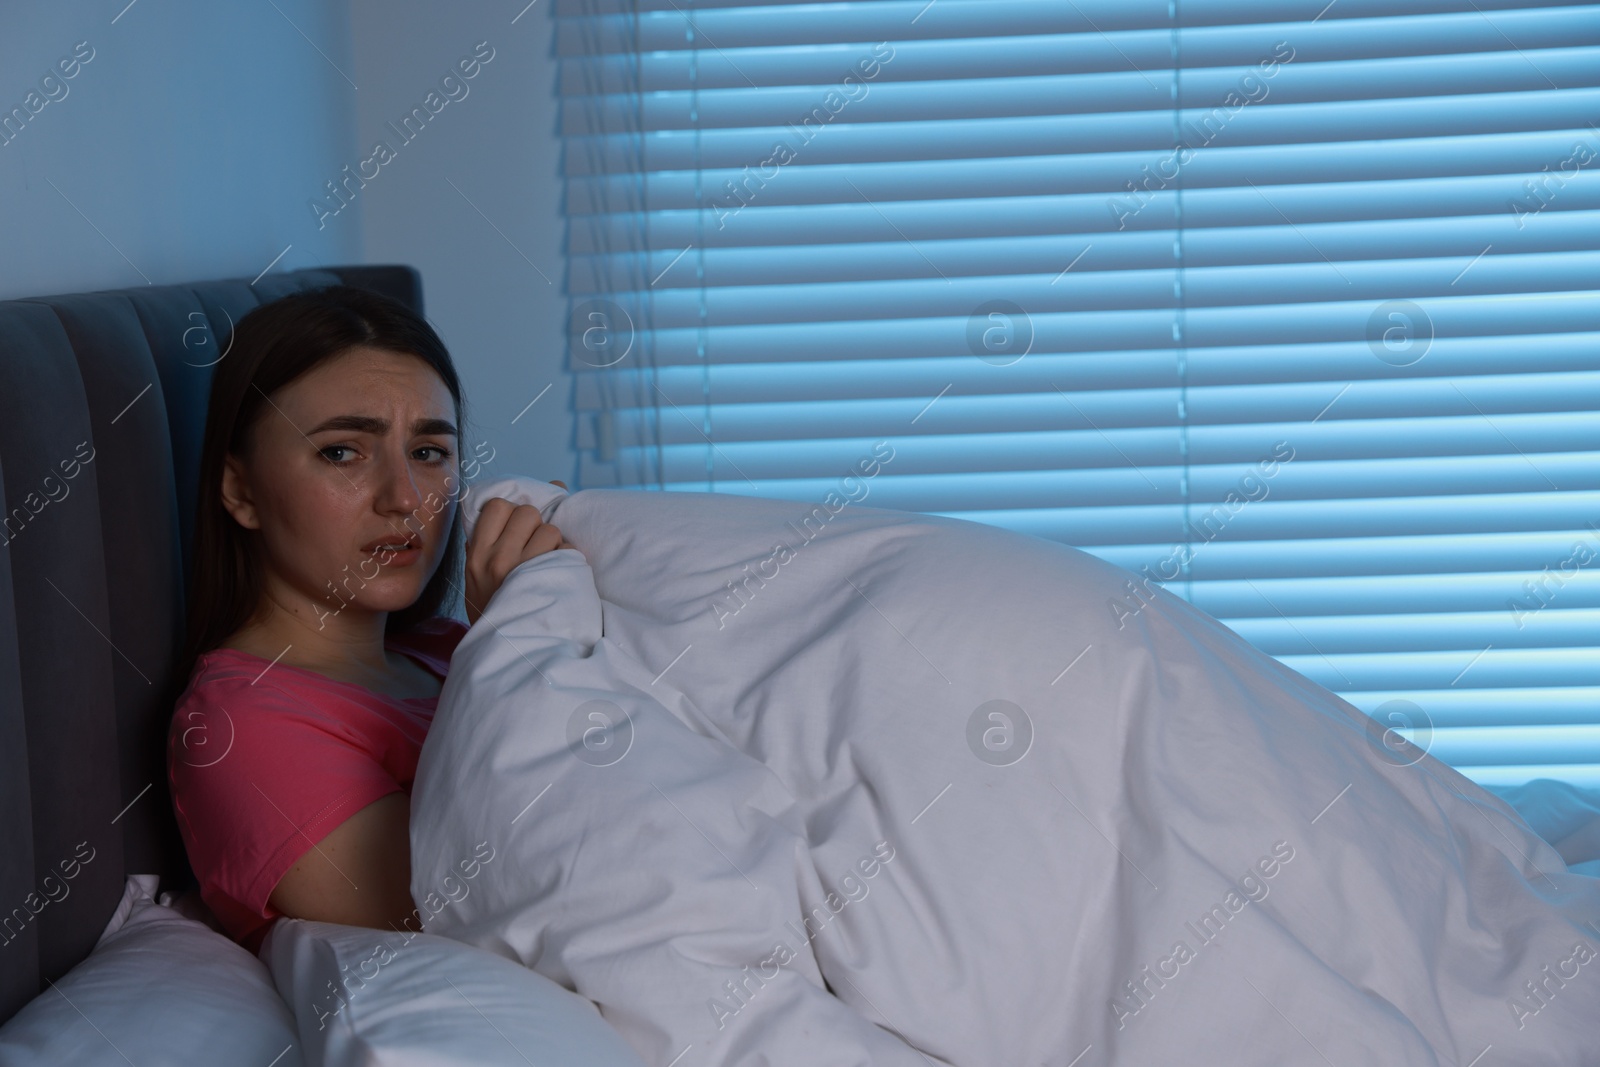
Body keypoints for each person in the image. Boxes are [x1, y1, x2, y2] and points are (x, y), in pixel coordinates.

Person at [166, 284, 568, 955]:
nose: (405, 498)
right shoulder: (238, 726)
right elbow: (463, 914)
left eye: (430, 452)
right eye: (343, 452)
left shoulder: (448, 646)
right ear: (240, 490)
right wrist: (527, 643)